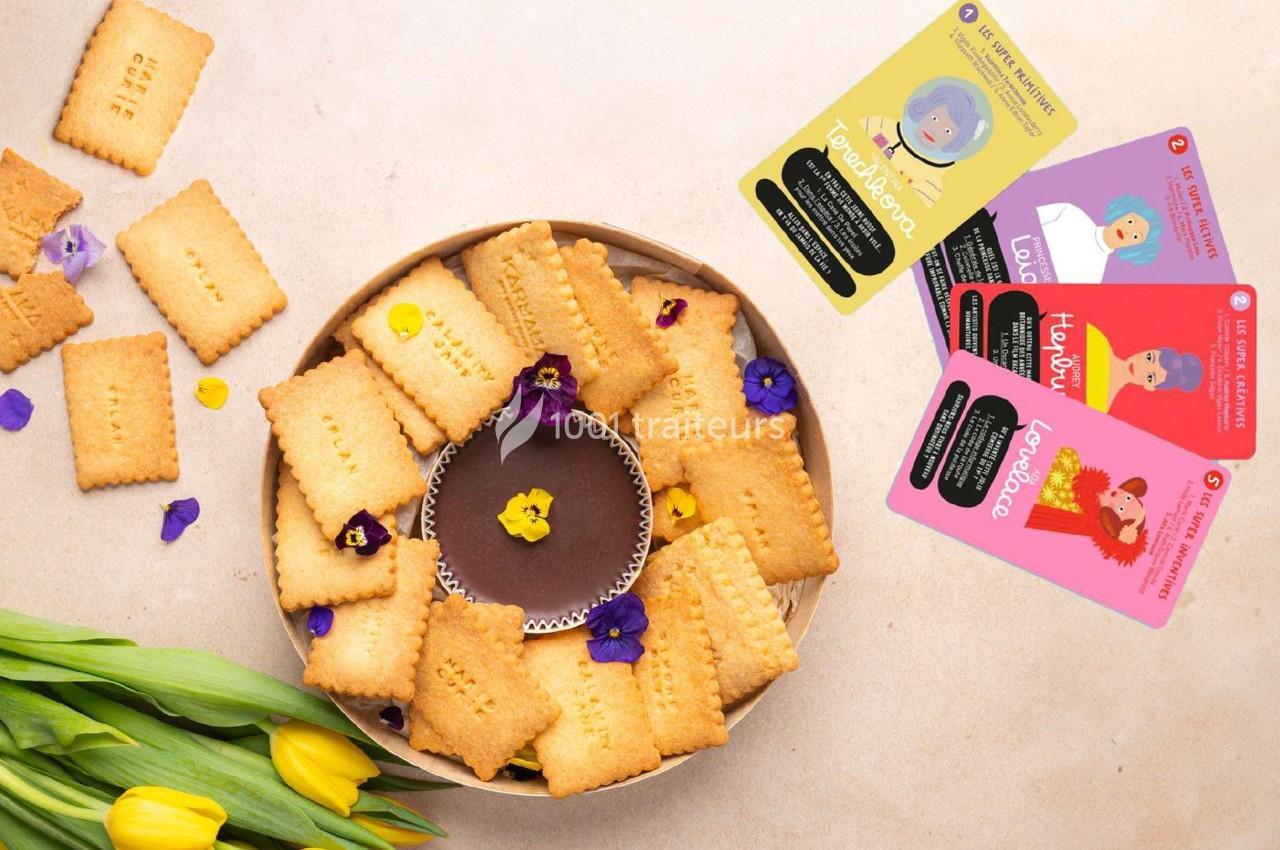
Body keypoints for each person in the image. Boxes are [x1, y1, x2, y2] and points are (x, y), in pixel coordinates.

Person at [862, 77, 993, 207]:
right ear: (925, 110)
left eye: (948, 131)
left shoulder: (931, 183)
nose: (935, 130)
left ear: (956, 141)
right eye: (934, 118)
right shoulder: (880, 126)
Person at [1024, 447, 1148, 566]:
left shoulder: (1069, 511)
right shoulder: (1073, 459)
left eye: (1122, 509)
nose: (1120, 497)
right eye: (1128, 498)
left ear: (1109, 520)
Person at [1035, 193, 1164, 283]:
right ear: (1122, 214)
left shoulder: (1093, 276)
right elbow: (1024, 217)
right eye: (1130, 222)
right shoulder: (1070, 213)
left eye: (1136, 236)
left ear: (1136, 248)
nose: (1127, 231)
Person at [1084, 324, 1203, 412]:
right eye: (1149, 358)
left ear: (1149, 387)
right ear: (1149, 350)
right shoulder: (1096, 340)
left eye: (1150, 377)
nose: (1139, 367)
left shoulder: (1098, 408)